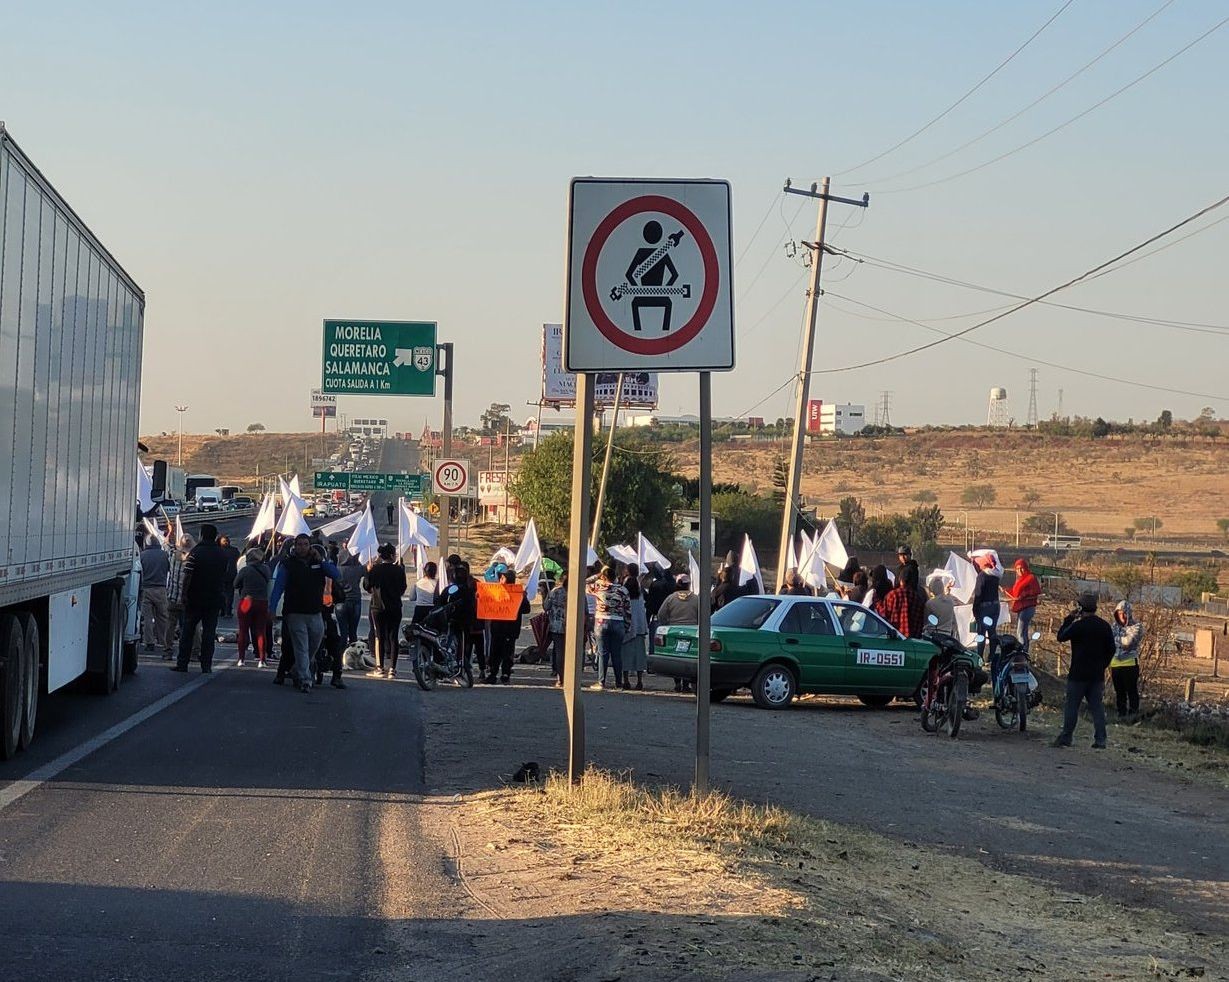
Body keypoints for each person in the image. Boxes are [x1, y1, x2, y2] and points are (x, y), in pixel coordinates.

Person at [270, 533, 342, 692]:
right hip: (295, 612)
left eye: (305, 544)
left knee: (314, 644)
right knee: (301, 646)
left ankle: (299, 667)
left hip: (315, 612)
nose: (302, 547)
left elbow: (336, 574)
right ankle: (305, 680)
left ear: (310, 546)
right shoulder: (288, 565)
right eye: (299, 544)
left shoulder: (318, 563)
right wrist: (272, 608)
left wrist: (322, 561)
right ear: (294, 546)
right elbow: (278, 588)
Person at [1053, 593, 1116, 749]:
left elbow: (1061, 636)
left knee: (1072, 706)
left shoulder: (1078, 626)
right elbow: (1112, 649)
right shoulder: (1104, 626)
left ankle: (1066, 737)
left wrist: (1069, 619)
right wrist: (1103, 665)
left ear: (1080, 608)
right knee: (1097, 707)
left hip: (1078, 673)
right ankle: (1101, 739)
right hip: (1096, 674)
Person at [174, 524, 229, 674]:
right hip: (214, 598)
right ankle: (206, 665)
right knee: (209, 633)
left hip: (195, 598)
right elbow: (224, 575)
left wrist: (184, 594)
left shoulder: (195, 553)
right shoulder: (222, 554)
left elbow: (188, 576)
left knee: (188, 632)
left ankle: (182, 663)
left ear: (201, 535)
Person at [363, 543, 408, 678]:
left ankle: (380, 667)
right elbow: (402, 589)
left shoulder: (375, 570)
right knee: (393, 637)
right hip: (394, 606)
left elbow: (367, 586)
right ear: (391, 555)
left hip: (378, 607)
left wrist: (368, 571)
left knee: (380, 636)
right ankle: (392, 669)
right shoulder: (399, 570)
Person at [588, 565, 630, 690]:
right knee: (617, 654)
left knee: (602, 653)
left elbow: (583, 583)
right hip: (618, 622)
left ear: (604, 577)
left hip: (601, 621)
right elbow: (628, 609)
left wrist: (598, 574)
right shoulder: (623, 590)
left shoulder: (597, 587)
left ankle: (601, 682)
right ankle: (618, 682)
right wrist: (627, 625)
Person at [657, 573, 700, 693]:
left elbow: (661, 614)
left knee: (676, 657)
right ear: (688, 585)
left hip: (674, 631)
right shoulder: (696, 599)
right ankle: (687, 684)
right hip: (692, 632)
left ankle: (677, 683)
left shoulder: (671, 598)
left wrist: (668, 624)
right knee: (689, 657)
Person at [487, 569, 530, 685]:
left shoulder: (518, 594)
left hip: (510, 630)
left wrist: (523, 598)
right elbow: (487, 605)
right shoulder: (495, 592)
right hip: (497, 628)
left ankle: (505, 673)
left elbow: (526, 609)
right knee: (495, 651)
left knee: (507, 652)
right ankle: (493, 673)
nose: (500, 580)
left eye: (502, 578)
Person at [233, 548, 272, 668]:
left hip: (247, 601)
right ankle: (262, 659)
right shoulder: (266, 569)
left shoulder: (245, 570)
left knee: (243, 631)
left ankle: (241, 658)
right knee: (261, 631)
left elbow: (235, 584)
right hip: (262, 601)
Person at [1109, 600, 1144, 719]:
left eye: (1124, 613)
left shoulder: (1137, 626)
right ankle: (1121, 714)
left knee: (1132, 691)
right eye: (1119, 613)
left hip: (1130, 664)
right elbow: (1108, 640)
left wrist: (1116, 639)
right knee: (1119, 692)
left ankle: (1133, 715)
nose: (1122, 616)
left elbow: (1128, 643)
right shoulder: (1113, 626)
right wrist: (1120, 640)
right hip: (1115, 664)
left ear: (1129, 613)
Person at [971, 552, 1003, 671]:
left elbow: (978, 595)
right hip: (995, 606)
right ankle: (991, 657)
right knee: (992, 632)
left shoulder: (982, 576)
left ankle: (979, 658)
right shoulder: (995, 576)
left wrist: (975, 609)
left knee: (981, 634)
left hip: (984, 607)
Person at [1003, 558, 1042, 652]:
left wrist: (1024, 595)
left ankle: (1021, 650)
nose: (1020, 571)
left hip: (1027, 607)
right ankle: (1024, 649)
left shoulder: (1031, 578)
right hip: (1021, 607)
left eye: (1022, 568)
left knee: (1020, 631)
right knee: (1023, 631)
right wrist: (1006, 591)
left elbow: (1036, 591)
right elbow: (1015, 593)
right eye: (1017, 569)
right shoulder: (1019, 580)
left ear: (1025, 568)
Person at [139, 537, 170, 654]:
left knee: (147, 618)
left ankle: (149, 642)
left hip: (146, 588)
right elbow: (169, 569)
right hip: (161, 589)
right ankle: (163, 640)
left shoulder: (142, 555)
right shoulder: (164, 555)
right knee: (162, 617)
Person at [165, 534, 193, 659]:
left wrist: (169, 534)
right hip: (187, 597)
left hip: (172, 595)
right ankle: (191, 652)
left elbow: (166, 545)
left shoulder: (172, 556)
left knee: (170, 625)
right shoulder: (192, 559)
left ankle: (167, 650)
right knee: (190, 627)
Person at [621, 570, 649, 690]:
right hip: (639, 629)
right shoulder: (640, 598)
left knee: (625, 656)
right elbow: (642, 614)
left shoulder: (624, 598)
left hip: (627, 630)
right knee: (639, 657)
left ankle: (626, 680)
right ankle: (639, 681)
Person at [882, 565, 924, 638]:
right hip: (913, 640)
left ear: (900, 580)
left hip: (895, 638)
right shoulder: (917, 598)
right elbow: (920, 622)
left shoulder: (892, 595)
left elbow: (884, 616)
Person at [334, 549, 366, 645]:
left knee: (343, 632)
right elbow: (368, 572)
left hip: (340, 602)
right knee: (353, 632)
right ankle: (353, 655)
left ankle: (342, 655)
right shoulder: (358, 569)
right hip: (355, 600)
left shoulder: (337, 569)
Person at [543, 573, 569, 686]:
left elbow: (546, 606)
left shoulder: (555, 591)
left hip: (556, 626)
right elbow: (585, 610)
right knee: (571, 653)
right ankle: (571, 676)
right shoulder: (577, 592)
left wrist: (545, 595)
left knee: (559, 652)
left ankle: (560, 677)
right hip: (572, 626)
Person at [217, 534, 241, 618]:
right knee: (230, 594)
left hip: (221, 575)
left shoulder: (218, 551)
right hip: (232, 574)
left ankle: (222, 610)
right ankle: (228, 611)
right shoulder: (235, 551)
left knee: (221, 593)